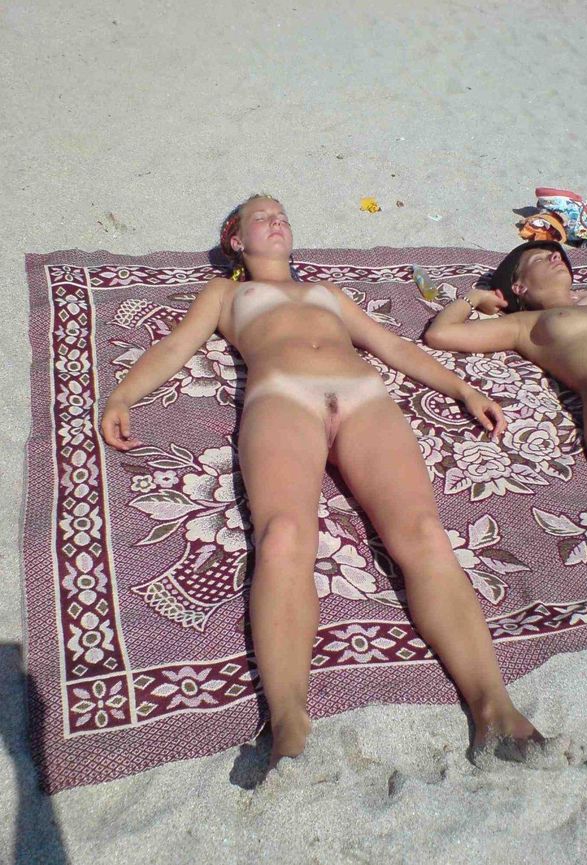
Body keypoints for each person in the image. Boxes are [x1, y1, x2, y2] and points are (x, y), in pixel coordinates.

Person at [102, 196, 549, 770]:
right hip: (283, 397)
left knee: (423, 533)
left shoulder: (328, 293)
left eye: (283, 215)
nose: (277, 221)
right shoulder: (226, 294)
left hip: (363, 397)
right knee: (283, 537)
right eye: (262, 216)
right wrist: (123, 395)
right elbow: (174, 346)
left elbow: (391, 346)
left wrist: (462, 390)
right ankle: (288, 721)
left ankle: (494, 707)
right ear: (235, 240)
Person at [425, 240, 587, 522]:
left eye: (556, 255)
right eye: (539, 259)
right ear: (519, 287)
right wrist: (475, 297)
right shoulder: (528, 323)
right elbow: (440, 334)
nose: (555, 257)